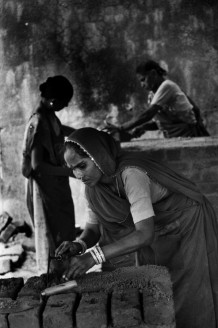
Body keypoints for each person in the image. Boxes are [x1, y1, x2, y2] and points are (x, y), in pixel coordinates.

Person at [56, 127, 218, 328]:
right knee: (160, 282)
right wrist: (79, 245)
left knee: (189, 284)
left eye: (82, 166)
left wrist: (93, 257)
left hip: (185, 222)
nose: (78, 175)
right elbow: (93, 230)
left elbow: (144, 234)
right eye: (72, 169)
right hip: (157, 227)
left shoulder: (131, 174)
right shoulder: (93, 188)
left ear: (100, 157)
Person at [21, 75, 76, 249]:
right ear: (53, 100)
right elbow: (38, 166)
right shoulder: (38, 122)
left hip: (55, 183)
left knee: (65, 227)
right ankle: (55, 273)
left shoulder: (49, 115)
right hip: (44, 187)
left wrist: (84, 134)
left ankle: (66, 269)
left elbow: (60, 131)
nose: (66, 105)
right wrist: (70, 172)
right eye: (65, 101)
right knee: (53, 234)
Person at [108, 60, 210, 139]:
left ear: (153, 74)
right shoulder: (152, 95)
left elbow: (147, 115)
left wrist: (121, 128)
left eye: (143, 80)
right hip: (174, 138)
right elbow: (161, 123)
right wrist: (143, 127)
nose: (142, 85)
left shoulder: (167, 86)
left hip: (189, 136)